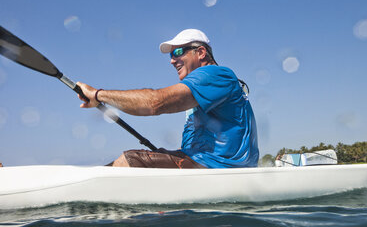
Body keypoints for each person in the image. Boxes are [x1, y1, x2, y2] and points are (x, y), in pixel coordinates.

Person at [77, 29, 259, 168]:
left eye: (178, 52)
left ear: (201, 52)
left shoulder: (214, 75)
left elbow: (155, 103)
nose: (172, 60)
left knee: (129, 161)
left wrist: (98, 94)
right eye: (171, 55)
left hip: (220, 167)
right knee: (152, 156)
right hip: (211, 163)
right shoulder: (208, 86)